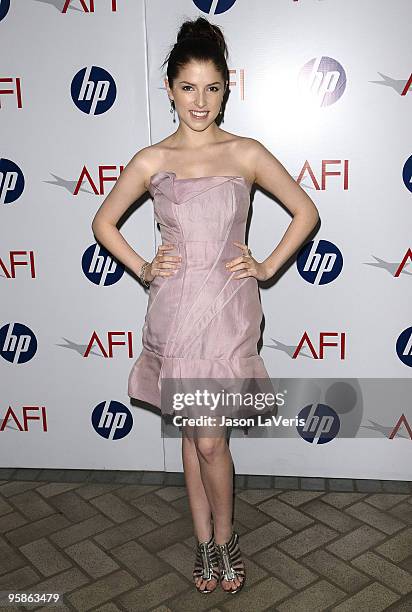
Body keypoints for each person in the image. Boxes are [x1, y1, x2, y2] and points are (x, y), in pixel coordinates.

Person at [91, 16, 319, 595]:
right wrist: (143, 266)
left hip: (229, 311)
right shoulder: (150, 159)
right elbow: (103, 222)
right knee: (195, 435)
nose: (200, 101)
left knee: (211, 438)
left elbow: (306, 212)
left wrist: (266, 266)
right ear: (169, 88)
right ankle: (204, 544)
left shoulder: (246, 152)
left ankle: (227, 537)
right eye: (189, 88)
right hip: (174, 308)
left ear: (226, 89)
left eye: (212, 88)